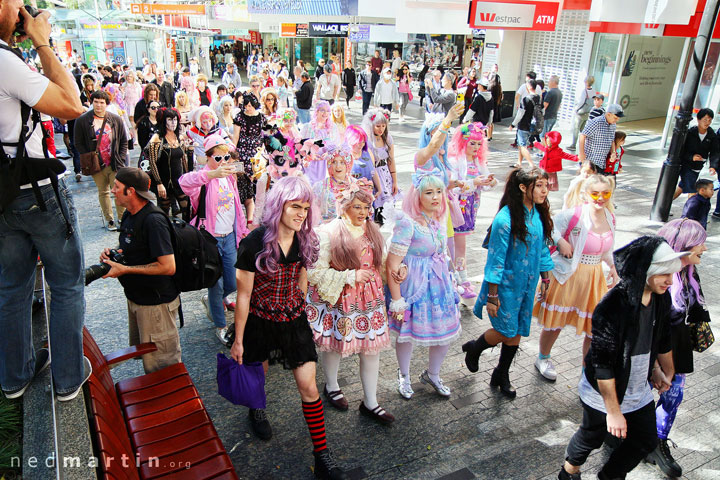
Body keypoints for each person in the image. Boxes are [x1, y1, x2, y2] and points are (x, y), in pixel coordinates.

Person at [229, 176, 349, 480]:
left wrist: (300, 302)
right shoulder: (254, 243)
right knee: (258, 378)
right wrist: (238, 340)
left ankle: (322, 455)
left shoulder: (304, 240)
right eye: (295, 206)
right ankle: (256, 409)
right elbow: (243, 295)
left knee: (309, 387)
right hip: (258, 320)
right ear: (279, 205)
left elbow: (303, 278)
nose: (301, 214)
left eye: (306, 208)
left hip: (293, 321)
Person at [0, 2, 90, 402]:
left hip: (2, 197)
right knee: (67, 284)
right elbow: (72, 105)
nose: (22, 8)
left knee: (11, 286)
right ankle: (68, 378)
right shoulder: (5, 63)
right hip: (36, 193)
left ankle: (14, 377)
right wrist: (42, 42)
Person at [558, 236, 686, 480]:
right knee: (592, 436)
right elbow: (603, 366)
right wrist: (614, 412)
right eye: (664, 274)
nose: (670, 281)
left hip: (638, 388)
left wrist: (659, 369)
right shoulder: (612, 305)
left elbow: (661, 337)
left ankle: (610, 475)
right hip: (603, 391)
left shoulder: (661, 297)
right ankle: (569, 470)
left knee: (645, 438)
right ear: (645, 271)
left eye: (672, 274)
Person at [307, 180, 396, 423]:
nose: (363, 212)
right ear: (344, 206)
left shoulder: (372, 230)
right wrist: (350, 276)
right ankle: (332, 385)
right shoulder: (328, 233)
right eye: (357, 206)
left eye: (366, 207)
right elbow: (313, 272)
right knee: (334, 344)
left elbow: (383, 261)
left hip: (371, 301)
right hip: (342, 300)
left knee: (371, 349)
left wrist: (397, 272)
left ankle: (370, 402)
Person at [464, 167, 554, 398]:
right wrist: (492, 296)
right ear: (523, 187)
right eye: (540, 185)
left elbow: (542, 247)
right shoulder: (505, 219)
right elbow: (495, 260)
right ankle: (475, 348)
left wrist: (545, 277)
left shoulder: (536, 212)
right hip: (505, 287)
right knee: (505, 329)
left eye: (546, 185)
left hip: (528, 284)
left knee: (518, 329)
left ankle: (501, 373)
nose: (545, 190)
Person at [532, 175, 618, 381]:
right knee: (556, 322)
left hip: (594, 278)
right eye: (595, 193)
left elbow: (605, 250)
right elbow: (548, 227)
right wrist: (561, 242)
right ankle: (543, 358)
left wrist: (613, 267)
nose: (600, 198)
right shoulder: (574, 215)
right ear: (586, 194)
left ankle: (586, 371)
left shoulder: (610, 217)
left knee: (593, 328)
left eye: (605, 193)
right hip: (567, 274)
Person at [386, 169, 461, 400]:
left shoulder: (438, 219)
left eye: (439, 191)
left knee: (444, 332)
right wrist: (397, 300)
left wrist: (452, 273)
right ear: (417, 195)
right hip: (414, 288)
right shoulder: (407, 224)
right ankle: (405, 376)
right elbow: (392, 263)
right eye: (429, 192)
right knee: (406, 334)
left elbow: (443, 251)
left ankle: (433, 374)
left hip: (439, 287)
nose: (436, 197)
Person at [101, 167, 182, 373]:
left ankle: (168, 404)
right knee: (150, 360)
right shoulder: (130, 214)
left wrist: (125, 269)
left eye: (117, 187)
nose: (112, 190)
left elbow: (168, 266)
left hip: (156, 306)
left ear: (131, 191)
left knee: (163, 367)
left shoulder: (153, 221)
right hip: (139, 300)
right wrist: (115, 254)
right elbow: (135, 248)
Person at [647, 218, 709, 478]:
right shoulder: (658, 276)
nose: (704, 249)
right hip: (652, 344)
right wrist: (655, 365)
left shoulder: (688, 271)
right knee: (638, 393)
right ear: (683, 246)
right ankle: (625, 434)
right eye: (700, 244)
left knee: (673, 395)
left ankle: (657, 440)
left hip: (677, 339)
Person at [180, 135, 248, 344]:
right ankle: (220, 324)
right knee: (216, 284)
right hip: (209, 239)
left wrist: (242, 230)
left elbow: (237, 207)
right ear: (208, 157)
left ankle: (213, 301)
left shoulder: (230, 177)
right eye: (217, 158)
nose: (223, 162)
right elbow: (183, 182)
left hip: (229, 237)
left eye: (226, 157)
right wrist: (211, 174)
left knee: (233, 281)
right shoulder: (203, 178)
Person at [447, 123, 497, 299]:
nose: (476, 147)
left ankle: (461, 280)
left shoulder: (479, 162)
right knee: (451, 246)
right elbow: (451, 188)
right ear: (463, 143)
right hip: (455, 208)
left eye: (478, 144)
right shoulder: (454, 161)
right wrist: (474, 182)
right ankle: (455, 280)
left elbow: (485, 185)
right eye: (472, 143)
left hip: (469, 209)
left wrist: (490, 182)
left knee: (460, 247)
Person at [74, 90, 128, 231]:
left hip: (114, 162)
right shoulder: (82, 120)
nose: (98, 105)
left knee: (118, 191)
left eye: (102, 102)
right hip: (96, 163)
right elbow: (78, 142)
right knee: (103, 191)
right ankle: (109, 220)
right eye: (96, 102)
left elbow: (123, 140)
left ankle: (122, 218)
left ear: (107, 104)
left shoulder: (115, 119)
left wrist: (121, 158)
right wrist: (89, 157)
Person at [144, 108, 190, 219]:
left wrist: (188, 177)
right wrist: (159, 183)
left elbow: (182, 160)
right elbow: (153, 163)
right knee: (163, 215)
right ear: (164, 121)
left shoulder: (179, 137)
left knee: (187, 209)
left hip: (178, 181)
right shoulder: (157, 138)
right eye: (170, 120)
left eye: (175, 120)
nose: (173, 123)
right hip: (163, 181)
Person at [231, 91, 266, 227]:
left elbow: (265, 136)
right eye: (246, 105)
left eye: (251, 105)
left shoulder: (261, 117)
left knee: (257, 183)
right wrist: (233, 153)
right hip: (242, 152)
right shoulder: (239, 117)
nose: (248, 107)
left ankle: (254, 217)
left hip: (257, 154)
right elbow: (236, 137)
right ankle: (240, 215)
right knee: (241, 182)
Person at [362, 108, 397, 224]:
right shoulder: (367, 140)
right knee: (374, 210)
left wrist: (395, 181)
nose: (381, 129)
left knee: (387, 211)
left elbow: (391, 160)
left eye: (383, 126)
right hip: (373, 175)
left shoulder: (388, 138)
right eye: (378, 126)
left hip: (386, 175)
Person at [675, 109, 719, 200]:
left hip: (698, 167)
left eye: (710, 120)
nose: (707, 122)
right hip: (686, 165)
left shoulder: (711, 135)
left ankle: (663, 207)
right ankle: (690, 213)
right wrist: (692, 157)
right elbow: (681, 150)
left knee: (681, 187)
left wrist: (713, 166)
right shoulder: (690, 133)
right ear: (698, 120)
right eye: (705, 120)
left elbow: (714, 152)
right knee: (693, 190)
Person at [312, 143, 356, 224]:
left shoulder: (356, 185)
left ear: (348, 165)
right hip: (327, 229)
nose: (338, 166)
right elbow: (313, 211)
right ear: (329, 164)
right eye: (334, 162)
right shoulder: (319, 186)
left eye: (342, 162)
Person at [300, 101, 339, 185]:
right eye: (322, 110)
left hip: (326, 165)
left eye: (328, 111)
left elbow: (337, 146)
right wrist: (310, 154)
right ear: (316, 112)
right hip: (311, 165)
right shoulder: (308, 127)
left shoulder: (333, 128)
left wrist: (329, 153)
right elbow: (300, 146)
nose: (325, 113)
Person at [579, 104, 623, 173]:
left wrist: (613, 152)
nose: (617, 120)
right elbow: (582, 135)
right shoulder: (596, 122)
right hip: (590, 161)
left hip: (602, 163)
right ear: (608, 114)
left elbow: (611, 140)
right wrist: (581, 153)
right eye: (615, 118)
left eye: (618, 118)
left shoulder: (613, 125)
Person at [509, 78, 540, 169]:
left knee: (522, 146)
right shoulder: (539, 98)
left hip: (524, 125)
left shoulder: (526, 99)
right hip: (534, 125)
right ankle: (519, 162)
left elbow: (520, 114)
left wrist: (513, 124)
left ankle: (532, 164)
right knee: (521, 144)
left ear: (529, 87)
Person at [346, 125, 381, 193]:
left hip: (369, 195)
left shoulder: (367, 152)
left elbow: (373, 171)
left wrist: (379, 189)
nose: (361, 145)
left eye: (363, 142)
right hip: (353, 197)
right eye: (359, 142)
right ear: (351, 141)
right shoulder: (345, 156)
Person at [568, 76, 595, 151]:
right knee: (583, 130)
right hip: (588, 113)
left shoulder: (585, 91)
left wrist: (576, 109)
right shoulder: (593, 91)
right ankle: (585, 145)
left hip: (581, 113)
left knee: (576, 129)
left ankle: (573, 145)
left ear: (586, 82)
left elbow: (581, 102)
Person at [488, 73, 503, 141]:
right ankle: (491, 135)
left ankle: (488, 136)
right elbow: (501, 96)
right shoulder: (499, 87)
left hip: (490, 105)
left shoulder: (490, 86)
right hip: (496, 106)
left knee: (488, 121)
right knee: (492, 122)